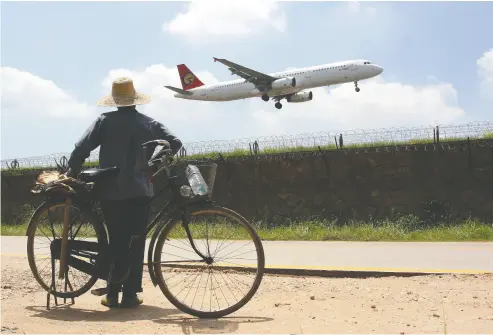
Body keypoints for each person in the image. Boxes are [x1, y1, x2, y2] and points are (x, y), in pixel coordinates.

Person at [66, 77, 182, 308]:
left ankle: (111, 293)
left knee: (115, 239)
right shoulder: (148, 123)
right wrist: (155, 163)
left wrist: (72, 171)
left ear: (115, 101)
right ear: (135, 99)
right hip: (141, 189)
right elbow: (174, 142)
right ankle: (130, 294)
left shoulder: (104, 121)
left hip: (111, 189)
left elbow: (81, 147)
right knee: (136, 241)